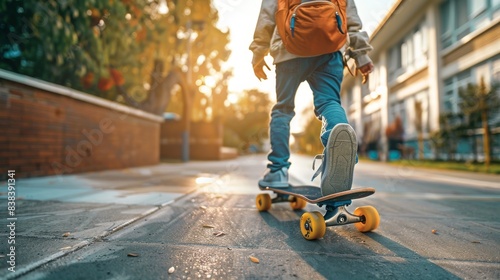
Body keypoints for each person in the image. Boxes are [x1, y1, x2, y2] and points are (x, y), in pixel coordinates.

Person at [250, 0, 374, 195]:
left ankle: (278, 171)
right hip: (330, 49)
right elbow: (350, 18)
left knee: (283, 109)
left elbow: (267, 14)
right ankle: (338, 147)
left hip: (288, 49)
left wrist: (259, 52)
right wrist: (361, 56)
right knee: (329, 103)